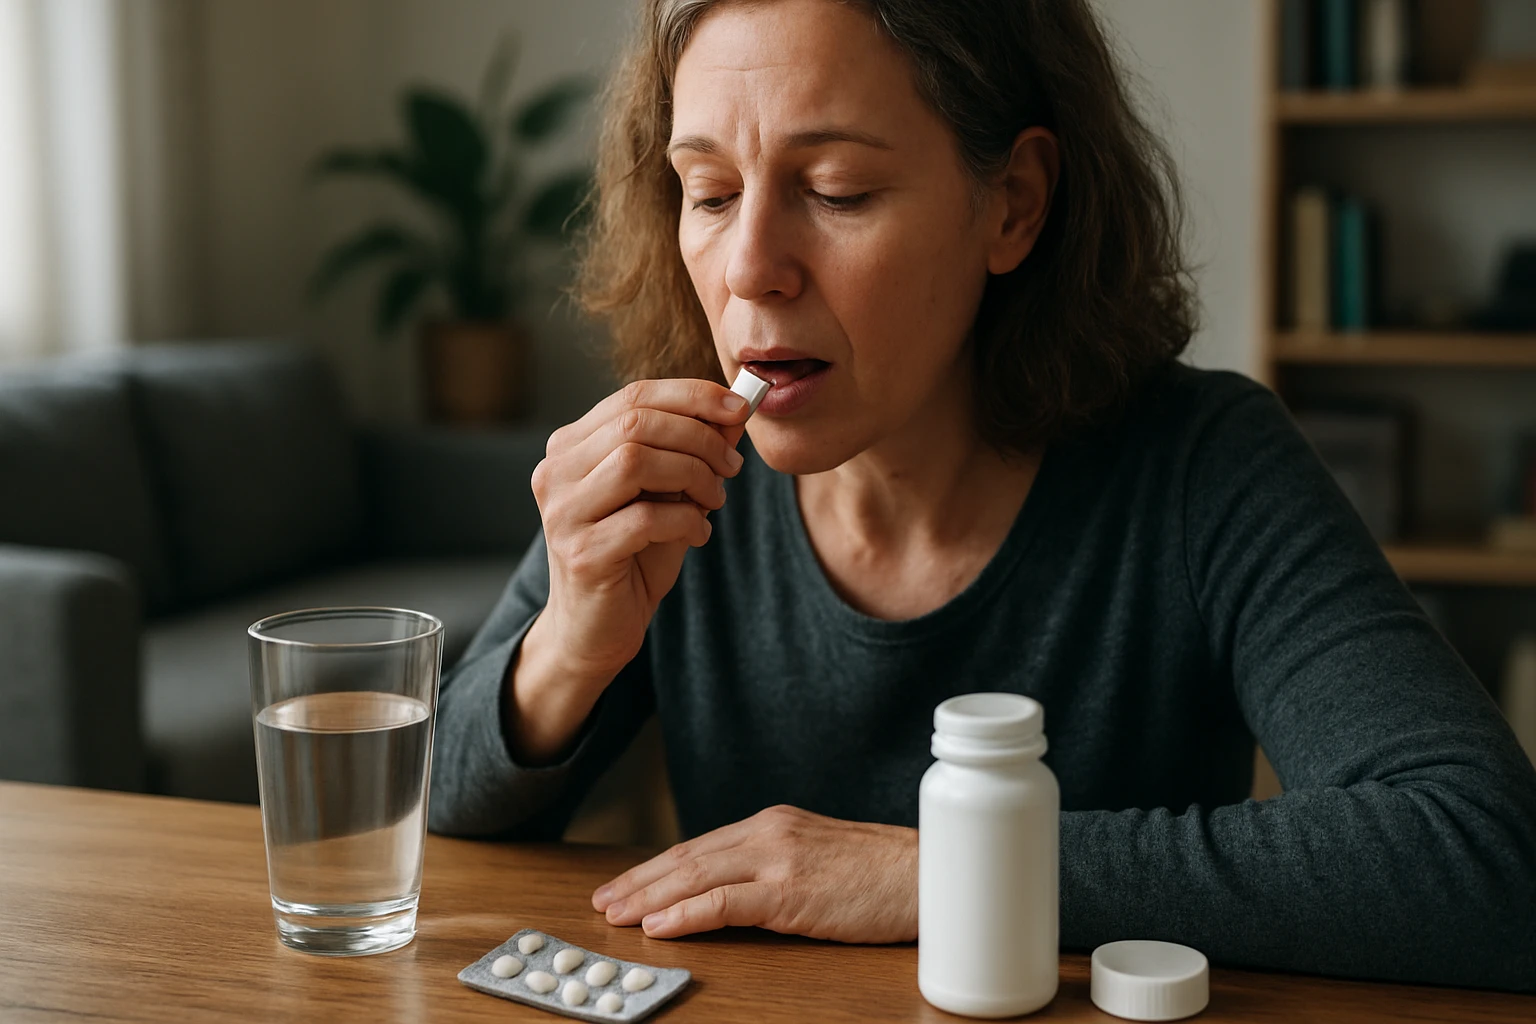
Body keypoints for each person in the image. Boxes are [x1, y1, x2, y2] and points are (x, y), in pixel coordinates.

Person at [429, 0, 1536, 991]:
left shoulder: (1205, 466)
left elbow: (1484, 856)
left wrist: (942, 873)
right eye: (708, 192)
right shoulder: (671, 481)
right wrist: (569, 643)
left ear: (1012, 206)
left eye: (835, 190)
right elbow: (423, 814)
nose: (748, 266)